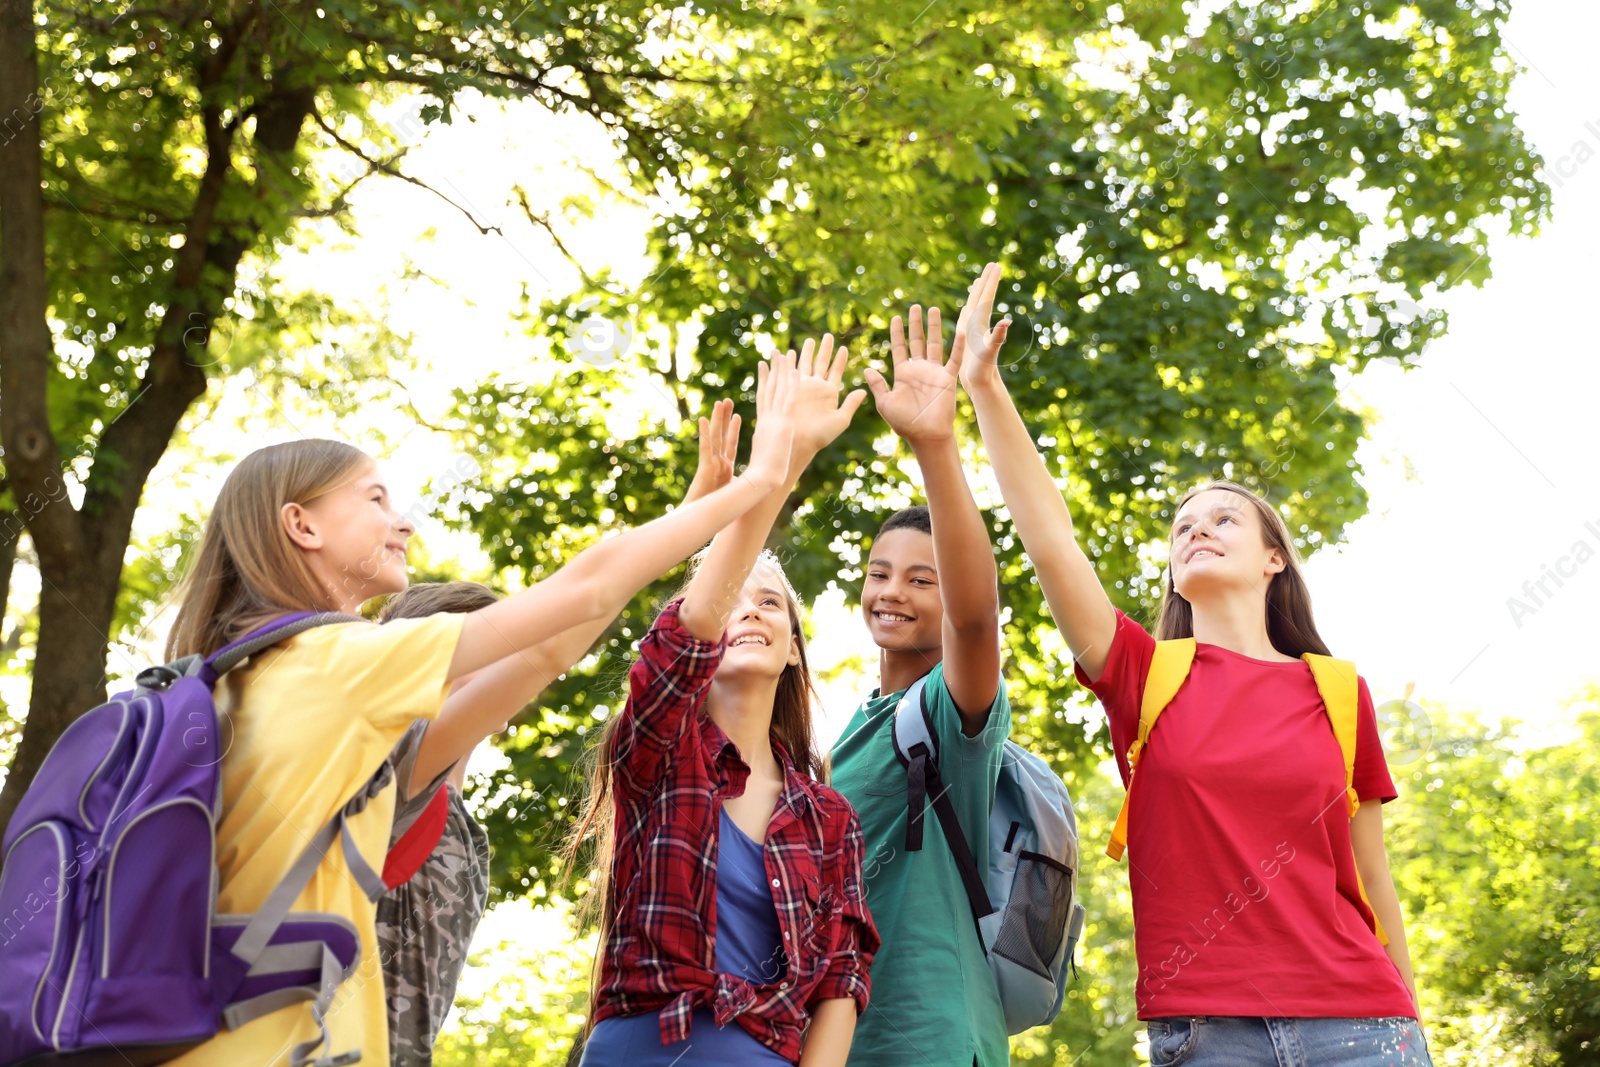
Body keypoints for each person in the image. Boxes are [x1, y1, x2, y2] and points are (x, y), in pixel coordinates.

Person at [162, 364, 797, 1067]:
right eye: (375, 497)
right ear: (300, 524)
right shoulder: (337, 661)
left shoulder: (239, 678)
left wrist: (695, 514)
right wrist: (764, 478)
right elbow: (576, 606)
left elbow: (551, 640)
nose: (401, 520)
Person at [956, 261, 1432, 1066]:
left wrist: (1414, 1021)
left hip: (1363, 1021)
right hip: (1208, 1033)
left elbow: (1373, 880)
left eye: (1223, 518)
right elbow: (1050, 540)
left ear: (1275, 556)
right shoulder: (1146, 676)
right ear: (1173, 569)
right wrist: (985, 390)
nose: (1197, 529)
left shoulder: (1339, 691)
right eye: (1183, 526)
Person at [374, 401, 761, 1065]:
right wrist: (722, 501)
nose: (512, 673)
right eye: (480, 656)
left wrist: (699, 512)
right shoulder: (376, 776)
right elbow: (568, 623)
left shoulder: (463, 828)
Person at [571, 343, 878, 1067]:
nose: (749, 610)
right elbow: (686, 631)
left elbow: (842, 975)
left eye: (770, 601)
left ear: (794, 647)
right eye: (735, 596)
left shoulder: (828, 818)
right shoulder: (661, 752)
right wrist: (781, 465)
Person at [827, 297, 1012, 1067]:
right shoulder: (839, 740)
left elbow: (975, 623)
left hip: (931, 1038)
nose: (891, 592)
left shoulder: (944, 713)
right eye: (879, 572)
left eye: (920, 578)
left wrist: (935, 446)